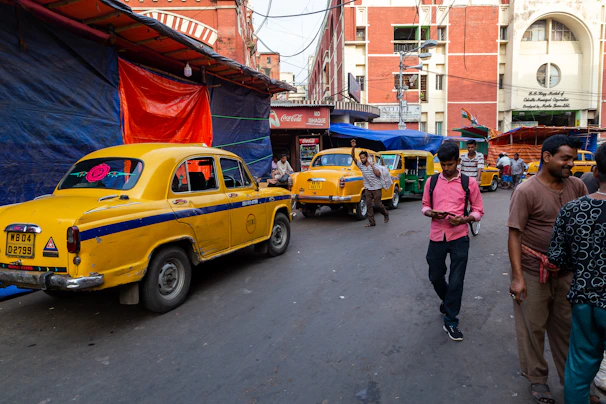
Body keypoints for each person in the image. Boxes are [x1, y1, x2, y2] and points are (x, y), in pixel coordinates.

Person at [507, 135, 588, 404]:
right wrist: (517, 278)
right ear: (547, 157)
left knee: (566, 329)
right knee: (533, 329)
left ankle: (573, 382)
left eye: (573, 159)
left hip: (567, 273)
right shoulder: (526, 191)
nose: (571, 164)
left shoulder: (576, 186)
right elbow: (515, 235)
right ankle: (538, 381)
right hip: (533, 272)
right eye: (565, 158)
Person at [548, 143, 606, 404]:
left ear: (595, 172)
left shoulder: (572, 210)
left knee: (579, 368)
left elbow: (557, 258)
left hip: (583, 300)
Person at [421, 142, 484, 341]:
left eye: (450, 164)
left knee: (457, 280)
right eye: (443, 165)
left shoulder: (469, 183)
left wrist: (465, 219)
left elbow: (478, 210)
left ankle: (451, 320)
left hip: (459, 237)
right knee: (435, 276)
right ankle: (448, 301)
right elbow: (424, 206)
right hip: (437, 236)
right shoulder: (431, 182)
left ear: (458, 161)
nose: (447, 168)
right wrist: (432, 213)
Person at [351, 139, 388, 227]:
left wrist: (372, 166)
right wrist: (353, 147)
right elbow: (353, 157)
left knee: (378, 205)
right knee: (369, 205)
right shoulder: (360, 166)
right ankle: (372, 222)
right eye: (361, 158)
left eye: (363, 158)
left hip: (377, 188)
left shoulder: (374, 164)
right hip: (368, 188)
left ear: (366, 157)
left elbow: (378, 174)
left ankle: (385, 214)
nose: (362, 159)